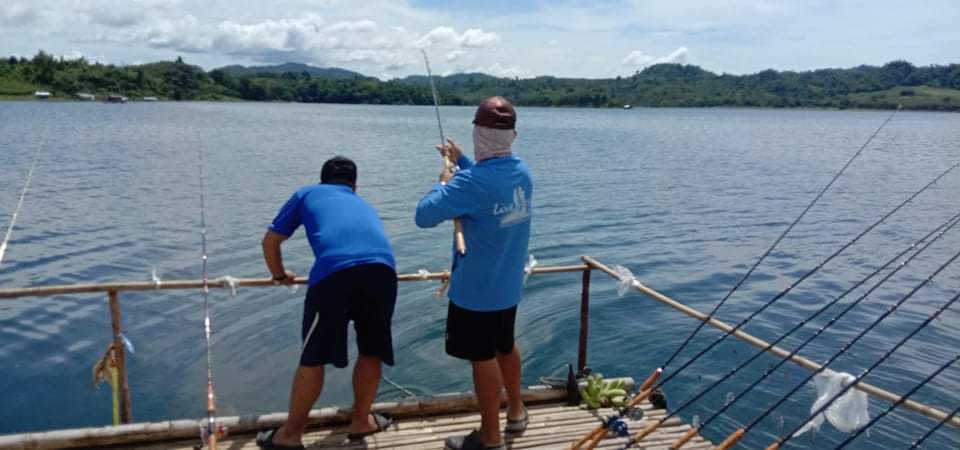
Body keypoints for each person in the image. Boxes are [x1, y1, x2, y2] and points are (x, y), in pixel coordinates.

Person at [416, 96, 533, 450]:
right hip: (507, 288)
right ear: (512, 135)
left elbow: (424, 215)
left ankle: (490, 436)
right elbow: (486, 183)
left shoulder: (469, 185)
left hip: (475, 292)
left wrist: (443, 180)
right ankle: (515, 411)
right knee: (504, 346)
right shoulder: (521, 173)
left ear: (478, 132)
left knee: (482, 359)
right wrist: (462, 160)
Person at [257, 156, 397, 450]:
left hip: (335, 276)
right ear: (354, 185)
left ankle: (290, 435)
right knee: (372, 351)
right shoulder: (364, 204)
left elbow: (270, 241)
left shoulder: (307, 193)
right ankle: (361, 421)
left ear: (322, 180)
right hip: (383, 271)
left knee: (314, 356)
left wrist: (280, 275)